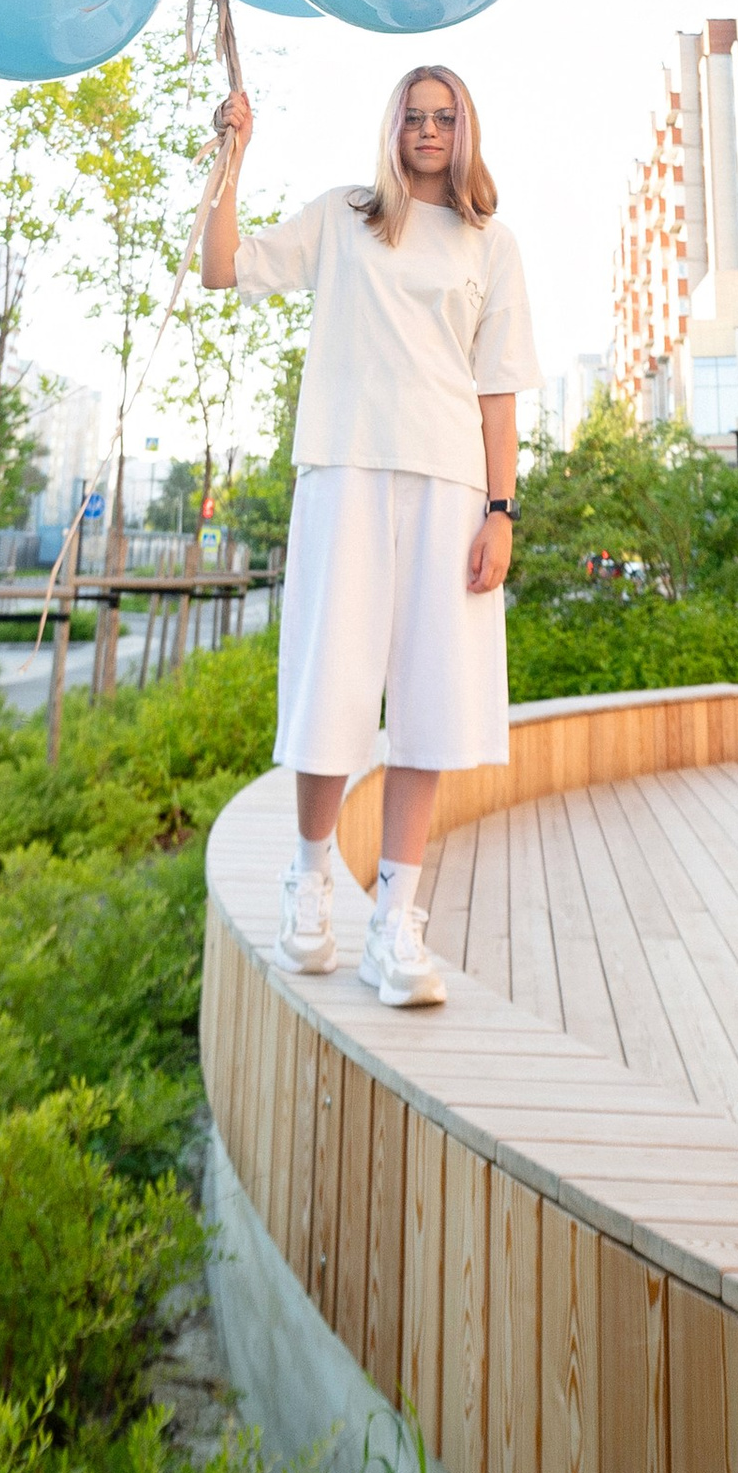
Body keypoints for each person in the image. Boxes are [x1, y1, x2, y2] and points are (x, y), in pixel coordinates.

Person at [203, 62, 537, 1006]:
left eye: (445, 117)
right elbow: (222, 267)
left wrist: (502, 512)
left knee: (430, 703)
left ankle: (395, 924)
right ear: (392, 127)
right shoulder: (342, 217)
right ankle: (309, 885)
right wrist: (231, 157)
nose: (428, 130)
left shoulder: (492, 244)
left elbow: (498, 392)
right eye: (414, 116)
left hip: (450, 488)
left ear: (464, 131)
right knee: (330, 685)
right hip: (344, 470)